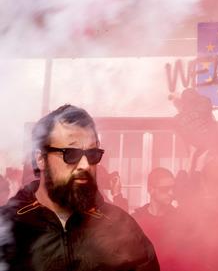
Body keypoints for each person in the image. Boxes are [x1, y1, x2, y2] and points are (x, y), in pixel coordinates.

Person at [0, 105, 160, 271]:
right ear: (41, 158)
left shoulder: (122, 226)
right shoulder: (7, 226)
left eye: (92, 154)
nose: (84, 165)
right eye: (71, 153)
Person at [132, 167, 179, 271]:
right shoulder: (137, 219)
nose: (171, 193)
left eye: (173, 188)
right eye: (165, 189)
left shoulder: (179, 220)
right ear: (151, 189)